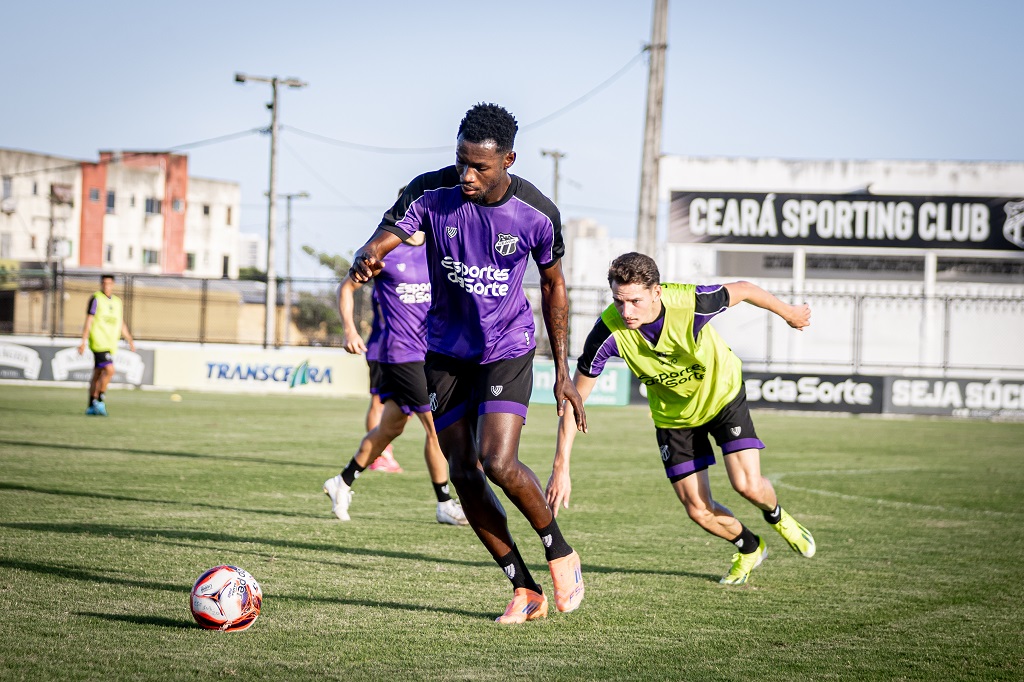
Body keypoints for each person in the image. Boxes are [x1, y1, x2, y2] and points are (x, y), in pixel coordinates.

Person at [348, 103, 588, 623]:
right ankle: (525, 590)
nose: (467, 175)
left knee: (498, 462)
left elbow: (554, 287)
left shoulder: (537, 213)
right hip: (443, 352)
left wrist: (563, 372)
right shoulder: (431, 192)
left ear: (508, 160)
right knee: (463, 471)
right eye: (461, 161)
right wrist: (368, 256)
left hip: (506, 347)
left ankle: (559, 550)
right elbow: (382, 238)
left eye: (479, 165)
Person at [547, 252, 816, 586]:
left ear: (656, 292)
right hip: (674, 417)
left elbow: (745, 289)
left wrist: (790, 313)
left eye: (635, 301)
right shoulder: (607, 333)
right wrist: (561, 466)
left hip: (722, 395)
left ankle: (777, 517)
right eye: (619, 302)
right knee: (697, 509)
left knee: (746, 485)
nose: (627, 312)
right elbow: (575, 400)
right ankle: (750, 547)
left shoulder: (691, 303)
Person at [325, 230, 468, 526]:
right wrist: (350, 331)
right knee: (436, 426)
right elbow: (346, 288)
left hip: (427, 352)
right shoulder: (386, 252)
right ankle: (444, 503)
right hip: (401, 354)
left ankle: (343, 481)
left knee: (390, 428)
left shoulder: (438, 251)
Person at [338, 267, 402, 473]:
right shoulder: (385, 272)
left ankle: (380, 449)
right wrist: (350, 331)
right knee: (378, 401)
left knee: (407, 407)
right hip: (383, 349)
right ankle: (380, 456)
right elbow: (347, 287)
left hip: (411, 353)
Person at [77, 273, 134, 416]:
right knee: (110, 370)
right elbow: (89, 320)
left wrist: (130, 339)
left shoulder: (117, 302)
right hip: (98, 341)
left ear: (113, 285)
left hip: (110, 343)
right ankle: (100, 401)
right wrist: (83, 341)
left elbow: (120, 322)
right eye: (104, 283)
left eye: (109, 283)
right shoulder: (96, 298)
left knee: (97, 373)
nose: (106, 286)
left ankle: (91, 405)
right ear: (101, 284)